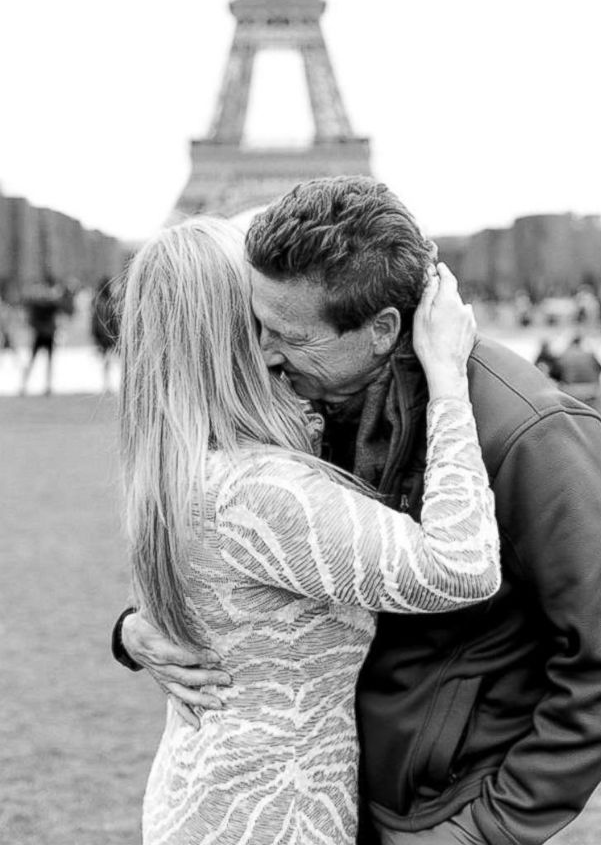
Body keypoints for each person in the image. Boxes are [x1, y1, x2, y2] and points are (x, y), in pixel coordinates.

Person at [114, 178, 601, 845]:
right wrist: (138, 626)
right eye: (256, 328)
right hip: (321, 797)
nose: (266, 354)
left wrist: (490, 827)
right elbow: (238, 554)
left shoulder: (529, 431)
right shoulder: (309, 401)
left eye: (284, 334)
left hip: (435, 812)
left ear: (381, 330)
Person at [119, 216, 500, 845]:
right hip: (270, 817)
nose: (276, 335)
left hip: (212, 795)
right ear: (233, 334)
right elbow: (463, 568)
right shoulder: (261, 489)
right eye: (262, 316)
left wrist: (130, 628)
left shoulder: (178, 458)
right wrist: (449, 385)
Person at [20, 277, 65, 395]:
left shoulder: (44, 304)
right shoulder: (43, 304)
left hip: (45, 334)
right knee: (37, 361)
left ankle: (44, 386)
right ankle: (27, 385)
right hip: (43, 334)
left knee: (43, 362)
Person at [554, 333, 601, 405]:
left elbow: (555, 374)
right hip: (591, 388)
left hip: (570, 389)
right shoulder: (589, 354)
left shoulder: (564, 356)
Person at [91, 276, 120, 391]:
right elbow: (99, 322)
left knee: (109, 361)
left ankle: (108, 383)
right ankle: (107, 384)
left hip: (108, 336)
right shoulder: (103, 303)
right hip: (107, 337)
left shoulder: (106, 302)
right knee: (109, 361)